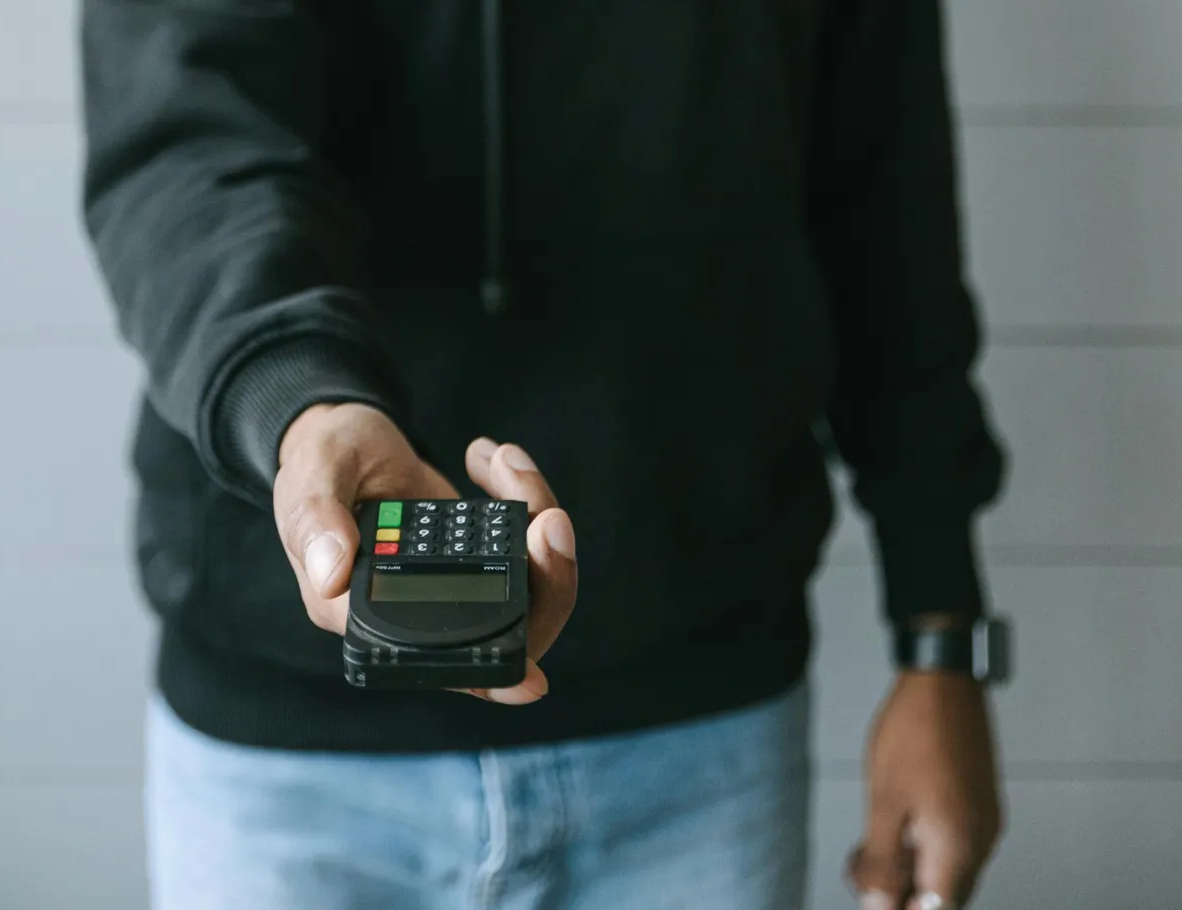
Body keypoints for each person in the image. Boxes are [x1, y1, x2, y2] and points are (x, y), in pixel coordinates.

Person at [80, 2, 1007, 908]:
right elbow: (184, 150)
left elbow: (888, 208)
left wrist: (943, 644)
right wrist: (297, 402)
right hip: (284, 754)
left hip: (700, 732)